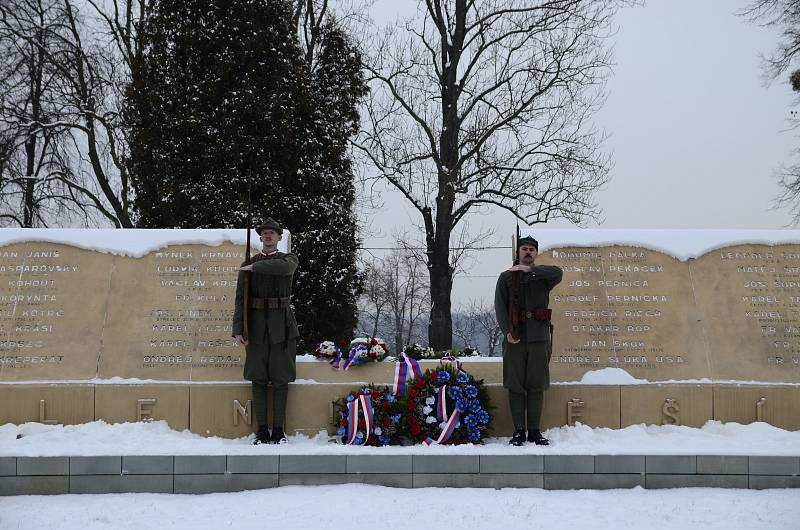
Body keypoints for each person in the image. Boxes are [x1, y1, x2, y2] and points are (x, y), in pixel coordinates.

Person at [232, 217, 299, 444]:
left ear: (280, 237)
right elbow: (240, 299)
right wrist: (238, 329)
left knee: (281, 379)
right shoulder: (248, 264)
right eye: (265, 233)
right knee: (258, 379)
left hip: (282, 327)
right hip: (257, 327)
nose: (268, 235)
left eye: (273, 232)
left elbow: (285, 269)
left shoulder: (288, 258)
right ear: (260, 237)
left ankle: (278, 431)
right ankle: (262, 430)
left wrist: (255, 266)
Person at [494, 235, 562, 446]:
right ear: (518, 252)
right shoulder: (506, 277)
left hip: (539, 338)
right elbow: (500, 308)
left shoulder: (543, 276)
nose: (528, 252)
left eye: (532, 250)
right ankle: (518, 431)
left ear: (536, 253)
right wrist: (507, 332)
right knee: (516, 385)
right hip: (516, 338)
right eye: (524, 249)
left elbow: (559, 273)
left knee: (536, 385)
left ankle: (534, 430)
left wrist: (530, 270)